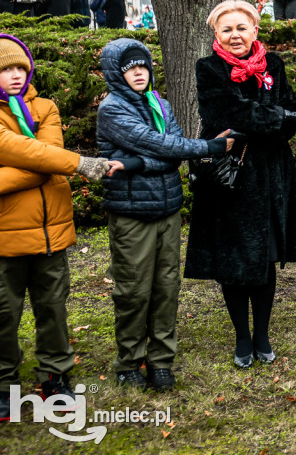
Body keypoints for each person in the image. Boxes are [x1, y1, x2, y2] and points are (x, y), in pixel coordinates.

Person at [97, 39, 234, 390]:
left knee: (166, 289)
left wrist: (134, 163)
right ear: (116, 73)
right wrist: (207, 147)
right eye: (130, 68)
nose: (139, 72)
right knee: (133, 291)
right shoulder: (112, 109)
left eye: (143, 66)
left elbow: (172, 153)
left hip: (168, 209)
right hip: (131, 215)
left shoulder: (161, 103)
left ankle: (160, 361)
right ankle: (128, 363)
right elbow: (163, 145)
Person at [184, 0, 296, 367]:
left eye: (242, 27)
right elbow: (227, 115)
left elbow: (291, 110)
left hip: (271, 175)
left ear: (255, 30)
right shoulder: (208, 68)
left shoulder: (273, 65)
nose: (235, 35)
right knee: (235, 258)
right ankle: (242, 336)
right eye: (227, 30)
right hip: (231, 177)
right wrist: (280, 117)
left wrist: (278, 117)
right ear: (216, 35)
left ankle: (262, 334)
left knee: (266, 256)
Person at [0, 35, 119, 421]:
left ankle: (55, 375)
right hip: (6, 238)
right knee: (4, 313)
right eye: (5, 70)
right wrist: (73, 163)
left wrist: (40, 166)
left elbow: (45, 156)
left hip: (51, 233)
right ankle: (3, 383)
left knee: (52, 309)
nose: (15, 76)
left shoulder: (46, 107)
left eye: (19, 67)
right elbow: (44, 158)